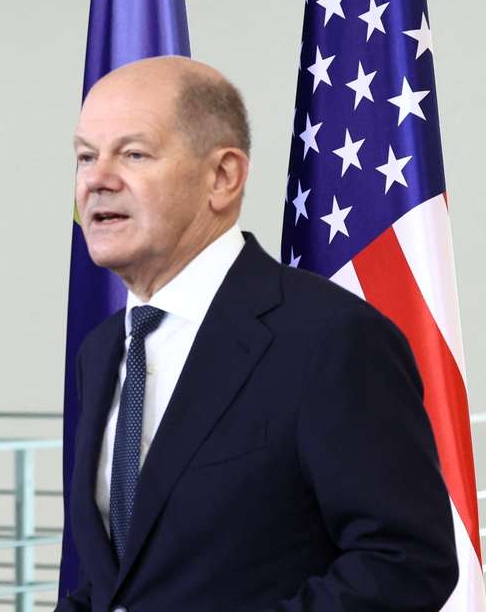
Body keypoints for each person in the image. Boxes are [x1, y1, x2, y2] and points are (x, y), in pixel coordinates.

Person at [58, 56, 457, 611]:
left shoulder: (332, 338)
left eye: (133, 154)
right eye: (85, 156)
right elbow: (120, 581)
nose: (97, 179)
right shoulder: (102, 350)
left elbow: (405, 563)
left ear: (223, 176)